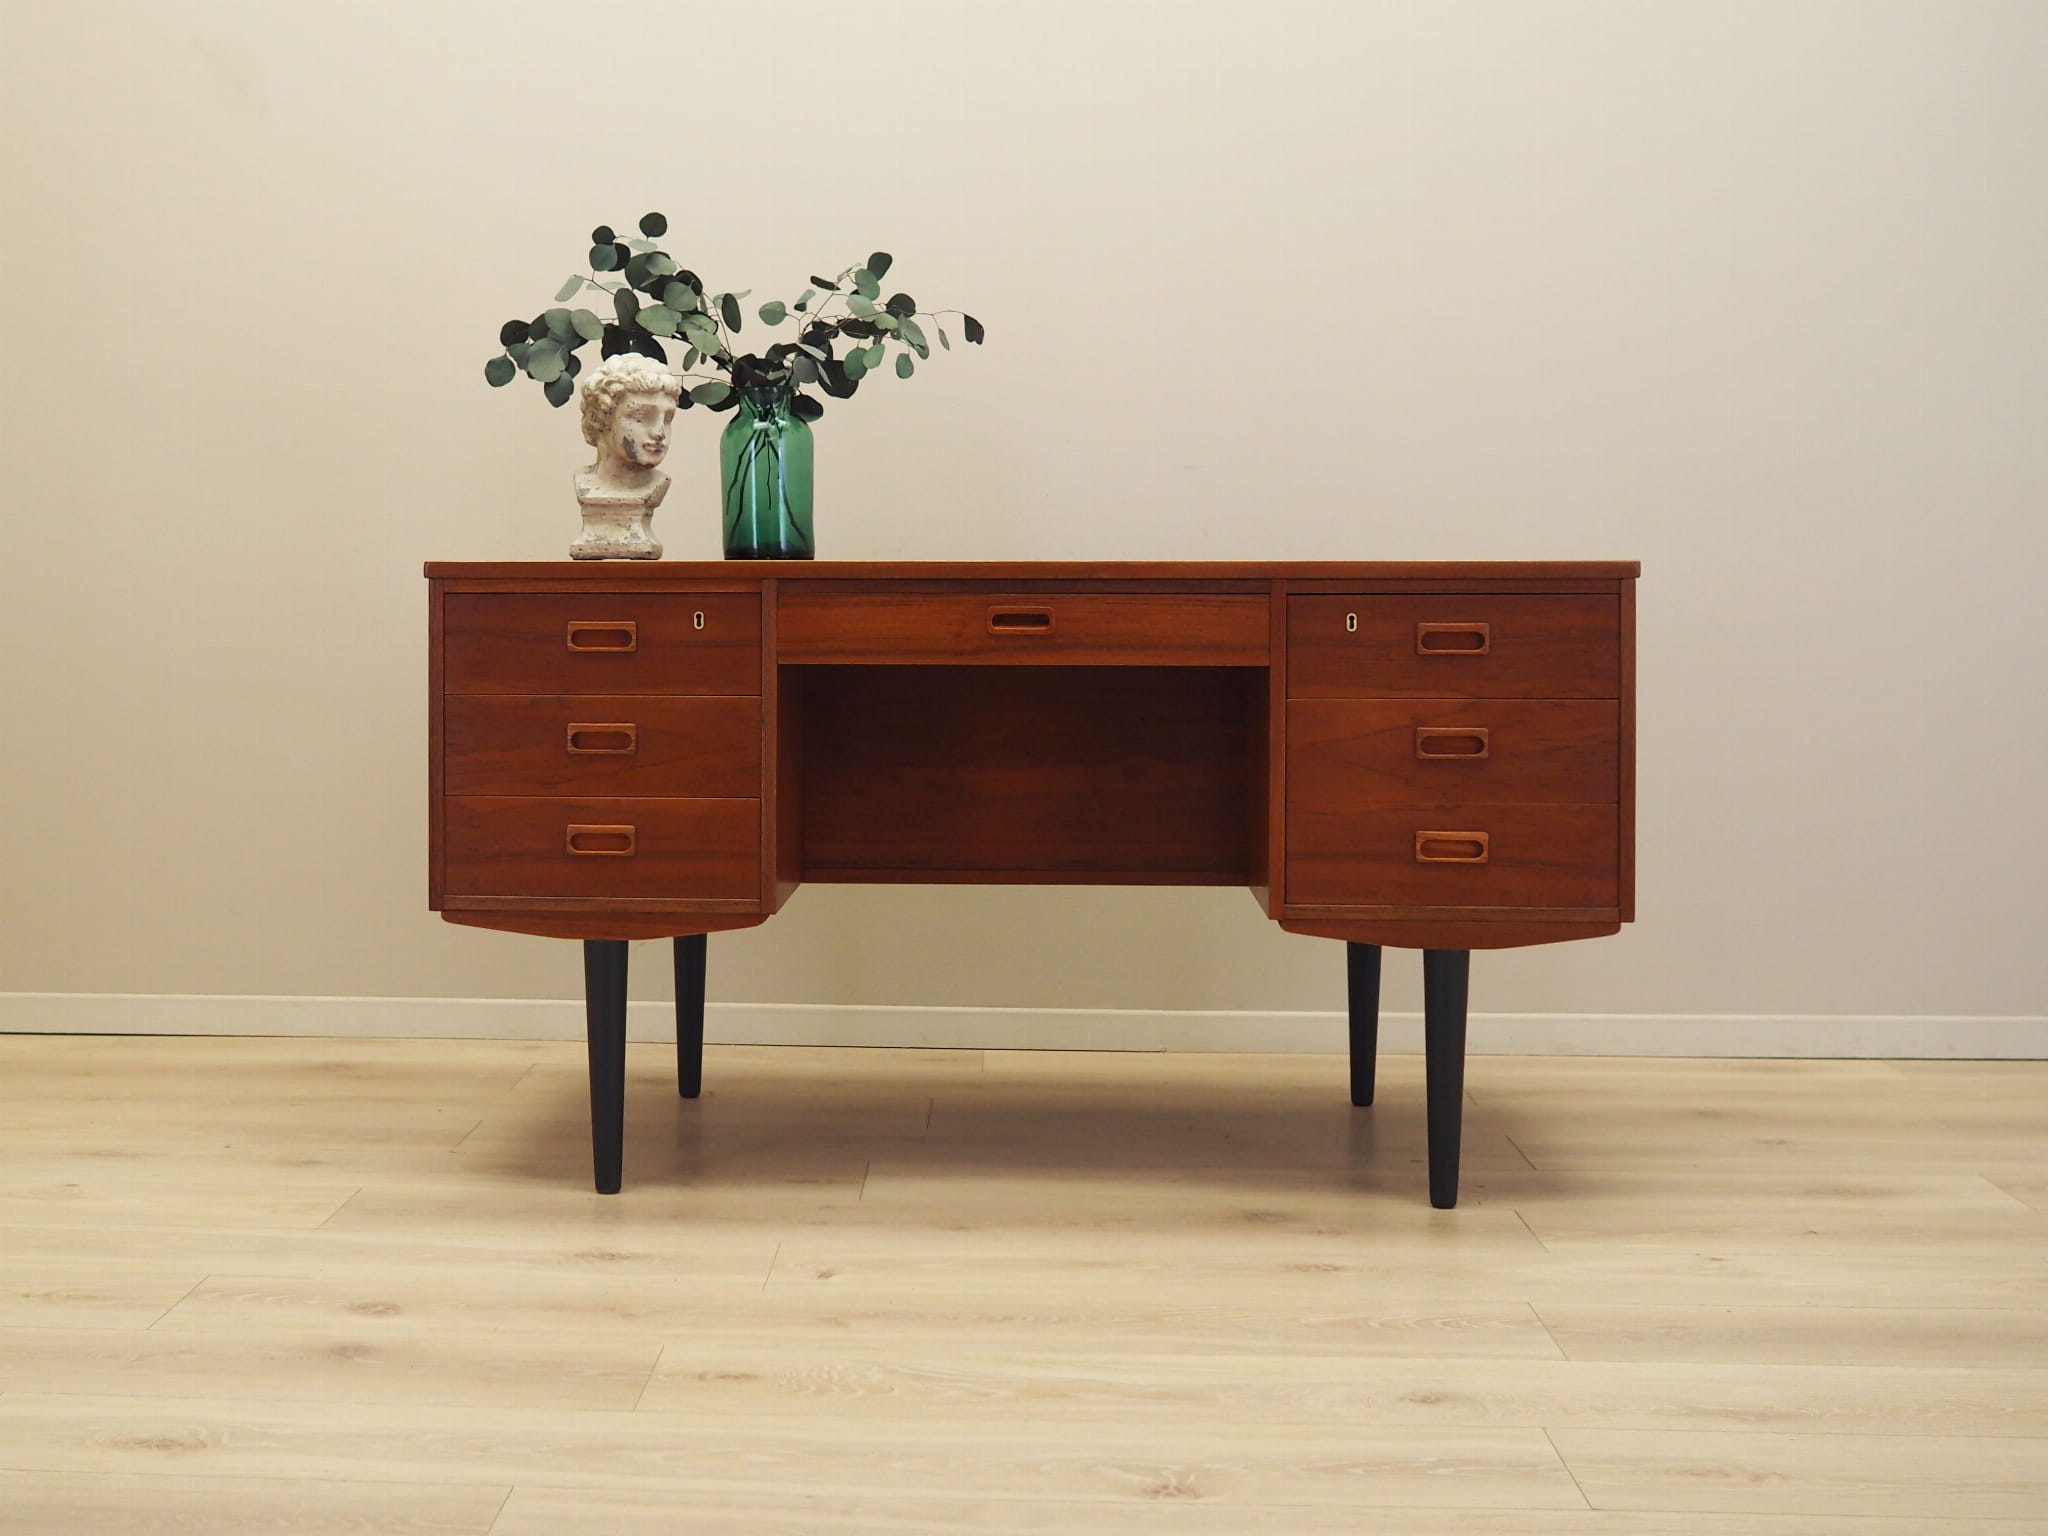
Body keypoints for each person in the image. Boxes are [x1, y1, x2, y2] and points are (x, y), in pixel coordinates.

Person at [569, 355, 682, 559]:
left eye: (667, 419)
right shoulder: (583, 482)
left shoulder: (658, 484)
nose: (659, 432)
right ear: (599, 418)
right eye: (641, 417)